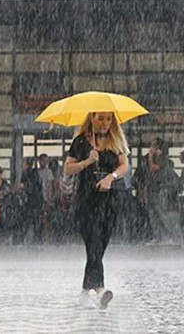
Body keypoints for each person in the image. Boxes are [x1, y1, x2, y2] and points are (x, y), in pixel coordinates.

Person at [63, 111, 129, 310]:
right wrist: (87, 162)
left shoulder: (115, 141)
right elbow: (68, 168)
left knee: (99, 245)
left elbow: (124, 165)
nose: (104, 123)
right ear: (91, 118)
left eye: (109, 119)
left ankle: (85, 291)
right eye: (100, 118)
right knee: (92, 239)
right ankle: (100, 290)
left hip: (110, 200)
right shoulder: (81, 142)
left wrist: (111, 177)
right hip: (86, 200)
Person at [144, 138, 180, 244]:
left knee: (162, 213)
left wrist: (150, 156)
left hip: (161, 189)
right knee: (153, 214)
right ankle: (158, 236)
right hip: (153, 189)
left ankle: (170, 236)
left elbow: (153, 168)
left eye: (152, 146)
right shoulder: (153, 158)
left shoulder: (162, 158)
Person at [38, 154, 55, 242]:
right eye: (42, 161)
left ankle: (47, 236)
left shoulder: (49, 172)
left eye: (45, 161)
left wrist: (49, 198)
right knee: (42, 217)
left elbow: (50, 186)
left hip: (45, 197)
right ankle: (44, 236)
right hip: (39, 197)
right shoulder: (37, 172)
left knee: (46, 217)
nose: (43, 163)